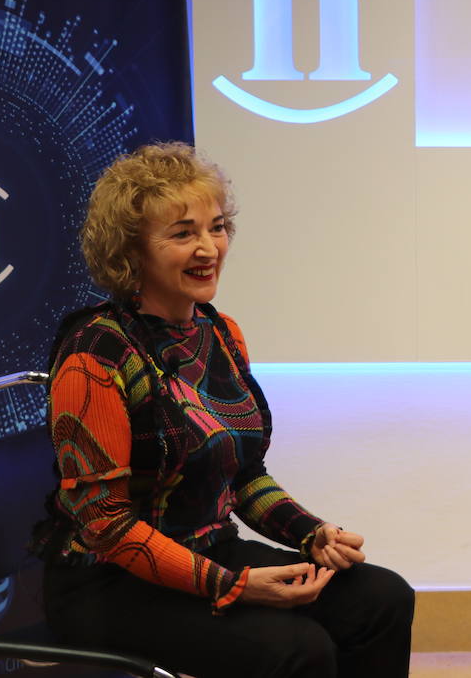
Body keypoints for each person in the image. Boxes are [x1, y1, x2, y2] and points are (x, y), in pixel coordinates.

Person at [33, 143, 414, 678]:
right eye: (183, 233)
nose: (209, 247)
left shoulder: (221, 333)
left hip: (211, 550)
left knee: (382, 598)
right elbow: (106, 526)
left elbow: (243, 476)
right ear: (131, 252)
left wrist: (312, 533)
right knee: (296, 648)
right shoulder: (95, 354)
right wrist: (230, 585)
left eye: (216, 227)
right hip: (107, 584)